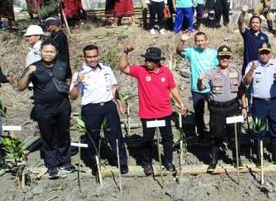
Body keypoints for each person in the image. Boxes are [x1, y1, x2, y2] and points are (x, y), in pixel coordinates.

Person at [119, 46, 187, 176]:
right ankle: (147, 163)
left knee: (167, 139)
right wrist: (125, 53)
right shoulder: (140, 71)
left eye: (151, 60)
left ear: (157, 61)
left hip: (164, 113)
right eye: (147, 60)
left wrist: (181, 103)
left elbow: (173, 89)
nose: (148, 62)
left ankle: (168, 162)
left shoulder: (166, 72)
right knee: (147, 140)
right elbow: (123, 68)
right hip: (148, 114)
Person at [17, 41, 73, 179]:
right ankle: (52, 165)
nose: (49, 54)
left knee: (63, 135)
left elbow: (68, 79)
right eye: (46, 51)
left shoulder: (63, 64)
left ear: (56, 53)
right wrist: (28, 74)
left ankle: (65, 162)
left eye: (51, 51)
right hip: (43, 108)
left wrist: (67, 86)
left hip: (62, 106)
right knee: (48, 137)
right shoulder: (33, 67)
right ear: (40, 51)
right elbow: (20, 87)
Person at [69, 45, 129, 174]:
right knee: (93, 137)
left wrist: (119, 103)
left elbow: (113, 87)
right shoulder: (80, 73)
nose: (92, 59)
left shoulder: (106, 69)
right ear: (85, 57)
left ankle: (122, 162)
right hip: (91, 109)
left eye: (94, 56)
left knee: (115, 135)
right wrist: (77, 83)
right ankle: (95, 164)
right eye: (89, 57)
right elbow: (73, 96)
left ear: (99, 55)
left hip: (108, 106)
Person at [197, 45, 246, 169]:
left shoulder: (236, 71)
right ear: (218, 58)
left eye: (227, 57)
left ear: (230, 58)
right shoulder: (211, 72)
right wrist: (199, 81)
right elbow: (201, 88)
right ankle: (214, 160)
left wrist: (244, 107)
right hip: (217, 109)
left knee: (235, 134)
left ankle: (236, 158)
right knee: (216, 134)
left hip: (233, 108)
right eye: (222, 57)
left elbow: (241, 90)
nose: (224, 59)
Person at [243, 43, 276, 165]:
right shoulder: (252, 64)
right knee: (259, 130)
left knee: (275, 128)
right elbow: (245, 82)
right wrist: (252, 69)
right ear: (258, 54)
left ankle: (275, 156)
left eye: (266, 52)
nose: (264, 55)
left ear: (270, 53)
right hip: (258, 103)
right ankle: (259, 157)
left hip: (274, 102)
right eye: (262, 53)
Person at [176, 31, 218, 140]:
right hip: (196, 89)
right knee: (199, 113)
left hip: (211, 88)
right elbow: (179, 51)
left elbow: (219, 69)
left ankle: (214, 134)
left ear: (207, 40)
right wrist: (182, 40)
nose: (200, 43)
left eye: (202, 40)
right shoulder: (192, 52)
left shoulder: (214, 53)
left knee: (214, 112)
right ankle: (201, 134)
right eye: (198, 41)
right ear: (195, 42)